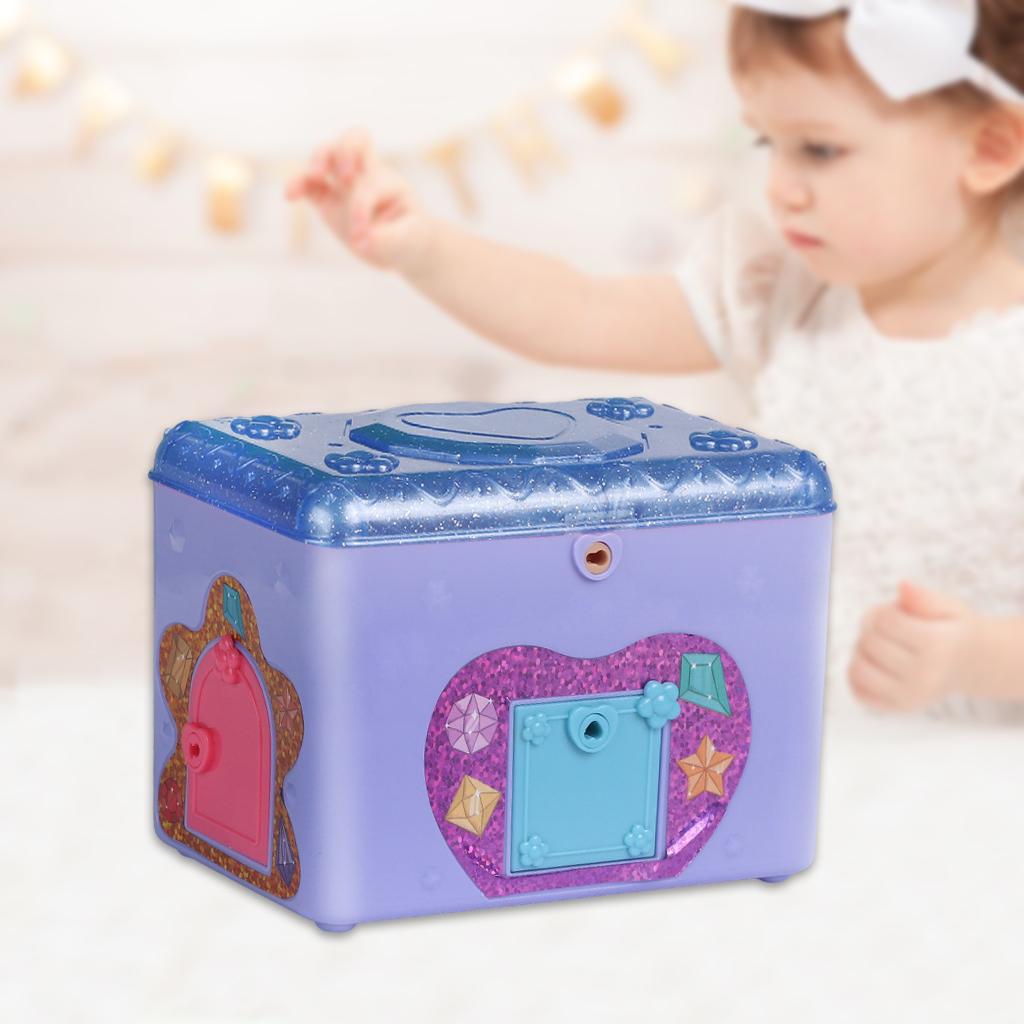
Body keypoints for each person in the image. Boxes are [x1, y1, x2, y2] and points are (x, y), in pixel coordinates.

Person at [285, 1, 1024, 722]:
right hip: (784, 736)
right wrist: (421, 248)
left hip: (971, 767)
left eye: (821, 150)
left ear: (989, 149)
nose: (780, 188)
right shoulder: (780, 299)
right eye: (768, 143)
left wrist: (976, 658)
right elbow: (578, 310)